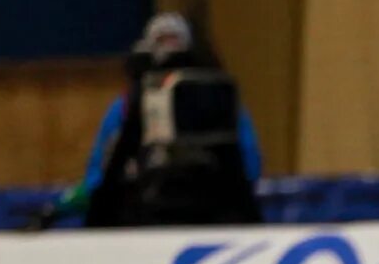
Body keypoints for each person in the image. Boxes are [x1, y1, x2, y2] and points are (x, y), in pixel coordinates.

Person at [40, 13, 263, 229]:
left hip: (201, 212)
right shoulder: (128, 106)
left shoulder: (219, 99)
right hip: (150, 211)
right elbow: (101, 175)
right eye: (162, 42)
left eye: (175, 42)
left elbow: (248, 164)